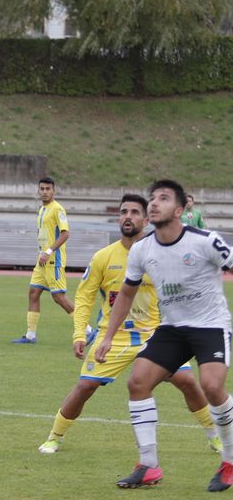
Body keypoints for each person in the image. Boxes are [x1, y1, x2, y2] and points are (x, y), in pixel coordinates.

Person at [37, 194, 219, 455]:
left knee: (187, 381)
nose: (128, 217)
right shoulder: (103, 257)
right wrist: (79, 333)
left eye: (135, 212)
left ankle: (214, 436)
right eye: (124, 212)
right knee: (85, 386)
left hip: (157, 335)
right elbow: (85, 296)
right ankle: (55, 436)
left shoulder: (163, 254)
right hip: (114, 335)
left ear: (146, 219)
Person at [95, 180, 233, 491]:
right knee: (138, 382)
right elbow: (125, 295)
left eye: (164, 198)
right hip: (172, 328)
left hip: (210, 324)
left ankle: (230, 461)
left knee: (211, 386)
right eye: (153, 198)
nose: (154, 203)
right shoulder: (143, 249)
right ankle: (148, 465)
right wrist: (107, 336)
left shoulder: (205, 241)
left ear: (180, 210)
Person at [12, 176, 78, 344]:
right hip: (41, 261)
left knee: (59, 297)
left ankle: (87, 330)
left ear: (54, 191)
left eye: (48, 189)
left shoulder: (58, 209)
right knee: (33, 293)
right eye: (42, 189)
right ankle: (30, 335)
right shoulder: (42, 210)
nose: (44, 192)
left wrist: (48, 251)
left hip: (53, 260)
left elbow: (65, 234)